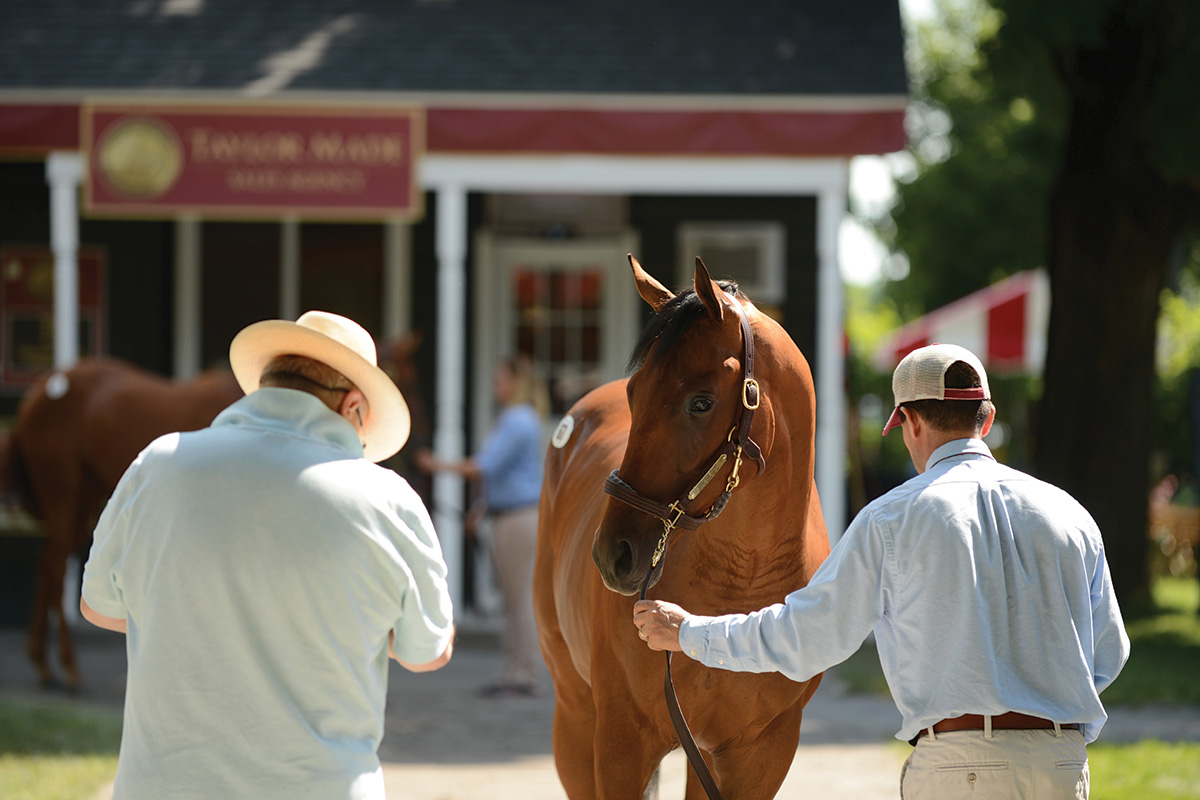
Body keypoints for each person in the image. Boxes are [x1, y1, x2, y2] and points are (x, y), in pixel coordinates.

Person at [633, 343, 1130, 799]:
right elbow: (1110, 651)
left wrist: (690, 633)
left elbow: (807, 638)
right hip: (1062, 764)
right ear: (987, 416)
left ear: (909, 422)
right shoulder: (1069, 513)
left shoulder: (892, 518)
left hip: (957, 766)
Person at [80, 310, 455, 800]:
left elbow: (97, 607)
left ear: (265, 385)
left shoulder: (158, 463)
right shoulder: (388, 499)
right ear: (356, 407)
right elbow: (428, 651)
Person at [419, 356, 547, 697]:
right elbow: (500, 474)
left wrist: (436, 465)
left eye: (500, 380)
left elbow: (485, 466)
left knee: (519, 599)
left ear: (515, 382)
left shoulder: (518, 420)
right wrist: (480, 509)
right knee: (514, 598)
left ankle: (524, 673)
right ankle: (515, 670)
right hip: (508, 515)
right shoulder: (516, 418)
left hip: (516, 518)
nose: (495, 386)